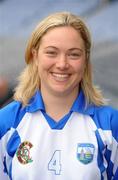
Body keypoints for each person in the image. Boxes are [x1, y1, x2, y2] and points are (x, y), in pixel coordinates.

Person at [0, 12, 118, 180]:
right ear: (35, 56)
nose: (62, 64)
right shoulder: (6, 124)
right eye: (51, 52)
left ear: (85, 60)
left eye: (74, 54)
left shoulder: (111, 125)